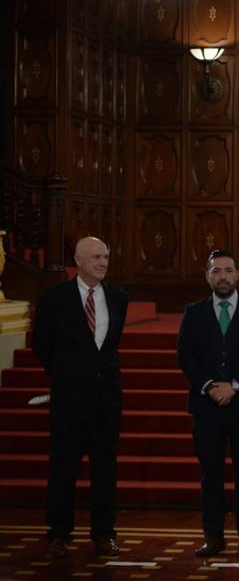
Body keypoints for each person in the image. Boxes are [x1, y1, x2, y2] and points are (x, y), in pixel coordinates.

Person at [32, 236, 129, 558]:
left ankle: (104, 534)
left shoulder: (118, 297)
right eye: (97, 257)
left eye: (106, 256)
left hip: (106, 399)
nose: (104, 262)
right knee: (63, 468)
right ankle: (59, 533)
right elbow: (42, 346)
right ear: (79, 260)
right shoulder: (54, 298)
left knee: (105, 470)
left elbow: (110, 345)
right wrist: (67, 377)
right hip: (69, 399)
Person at [177, 250, 239, 559]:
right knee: (210, 474)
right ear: (207, 276)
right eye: (216, 271)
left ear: (237, 275)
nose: (223, 276)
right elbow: (186, 357)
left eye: (228, 270)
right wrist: (209, 387)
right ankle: (213, 536)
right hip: (206, 407)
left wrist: (233, 386)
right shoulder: (193, 313)